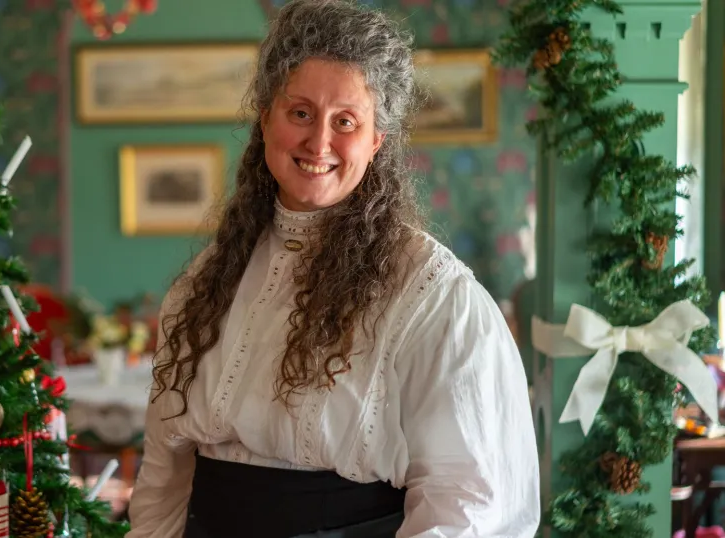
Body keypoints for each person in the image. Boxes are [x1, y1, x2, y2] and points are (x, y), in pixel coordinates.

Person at [126, 1, 540, 536]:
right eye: (300, 112)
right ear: (266, 117)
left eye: (345, 121)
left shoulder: (433, 295)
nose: (318, 142)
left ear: (376, 142)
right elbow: (165, 473)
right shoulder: (208, 279)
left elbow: (468, 504)